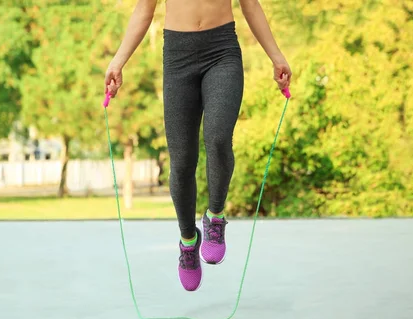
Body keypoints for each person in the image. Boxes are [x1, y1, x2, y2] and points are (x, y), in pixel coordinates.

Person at [104, 0, 291, 291]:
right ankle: (188, 242)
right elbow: (144, 10)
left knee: (217, 138)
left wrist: (276, 56)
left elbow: (250, 5)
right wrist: (118, 61)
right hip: (178, 57)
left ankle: (215, 216)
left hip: (222, 52)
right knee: (181, 161)